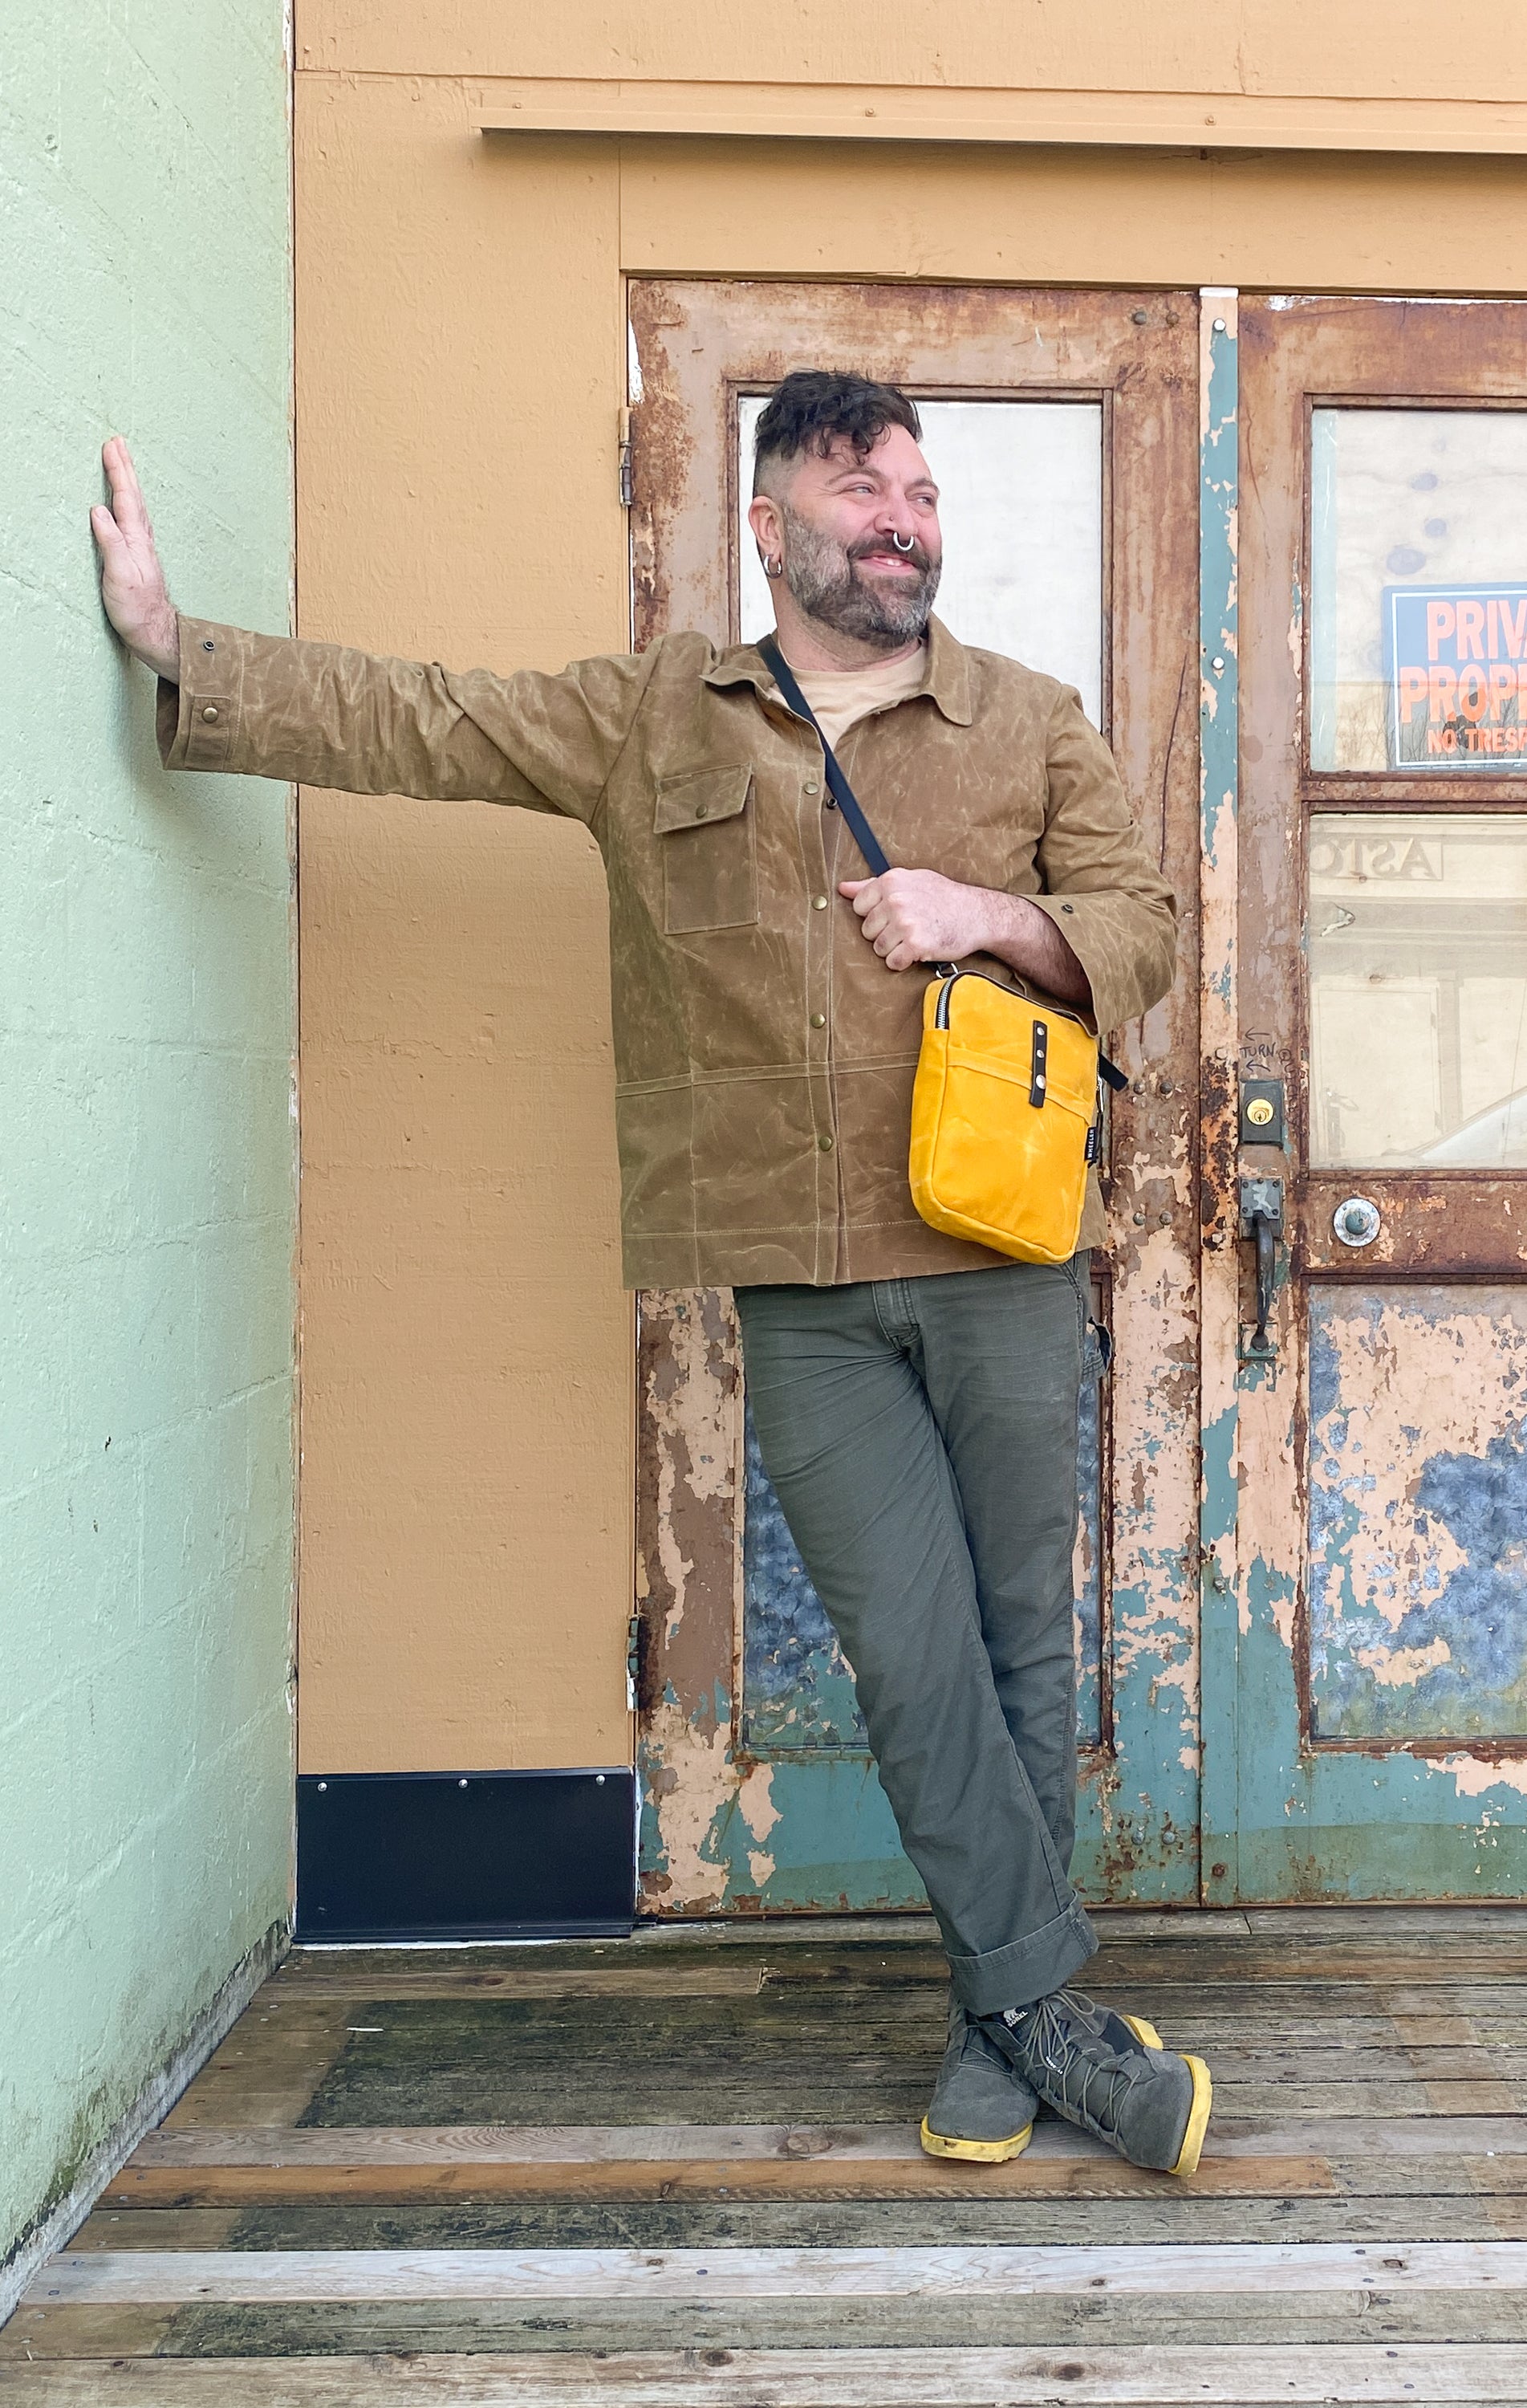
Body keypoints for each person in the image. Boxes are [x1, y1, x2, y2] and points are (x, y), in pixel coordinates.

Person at [91, 370, 1210, 2178]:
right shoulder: (652, 722)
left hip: (1000, 1253)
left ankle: (997, 2023)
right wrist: (175, 647)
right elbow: (420, 721)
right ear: (768, 529)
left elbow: (1146, 928)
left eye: (921, 491)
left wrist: (983, 916)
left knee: (1014, 1647)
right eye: (861, 491)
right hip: (798, 1273)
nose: (902, 518)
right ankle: (1042, 2007)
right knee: (910, 1660)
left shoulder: (1028, 721)